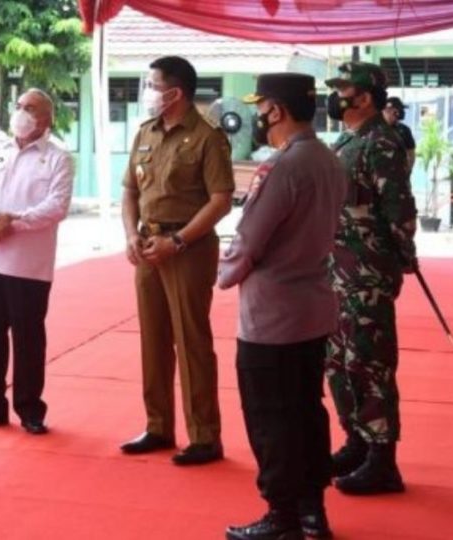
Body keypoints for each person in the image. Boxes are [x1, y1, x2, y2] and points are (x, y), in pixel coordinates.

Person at [219, 73, 346, 540]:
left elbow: (249, 239)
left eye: (262, 107)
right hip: (313, 306)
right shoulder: (329, 160)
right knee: (306, 412)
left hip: (272, 314)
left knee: (270, 417)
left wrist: (222, 274)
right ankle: (313, 511)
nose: (257, 116)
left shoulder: (282, 166)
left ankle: (283, 516)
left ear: (275, 110)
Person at [120, 56, 233, 465]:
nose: (148, 92)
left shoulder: (208, 137)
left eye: (153, 85)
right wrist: (132, 234)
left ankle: (204, 435)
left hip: (188, 247)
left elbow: (221, 201)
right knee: (153, 340)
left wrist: (180, 241)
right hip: (149, 245)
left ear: (175, 92)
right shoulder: (146, 133)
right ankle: (158, 426)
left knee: (191, 341)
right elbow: (130, 190)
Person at [325, 62, 417, 495]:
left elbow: (399, 209)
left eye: (343, 89)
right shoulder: (348, 139)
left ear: (363, 97)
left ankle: (383, 459)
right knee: (340, 360)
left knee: (370, 361)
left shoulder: (382, 142)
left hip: (367, 272)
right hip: (337, 270)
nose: (336, 96)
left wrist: (400, 259)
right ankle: (357, 441)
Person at [0, 88, 74, 435]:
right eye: (20, 106)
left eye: (31, 108)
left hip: (30, 265)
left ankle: (29, 409)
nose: (22, 112)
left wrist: (13, 220)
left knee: (28, 339)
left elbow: (57, 207)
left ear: (47, 119)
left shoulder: (58, 158)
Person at [382, 97, 416, 172]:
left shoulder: (404, 130)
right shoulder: (375, 130)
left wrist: (407, 171)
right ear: (386, 110)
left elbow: (411, 153)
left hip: (399, 173)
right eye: (395, 110)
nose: (399, 113)